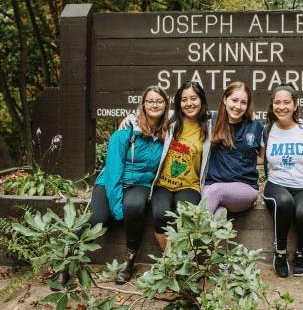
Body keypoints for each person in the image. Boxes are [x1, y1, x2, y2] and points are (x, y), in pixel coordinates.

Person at [60, 85, 170, 288]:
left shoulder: (168, 132)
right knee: (98, 218)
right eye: (150, 101)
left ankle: (129, 260)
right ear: (143, 105)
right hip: (111, 180)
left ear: (165, 105)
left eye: (159, 101)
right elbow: (113, 170)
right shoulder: (127, 130)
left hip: (141, 184)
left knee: (135, 207)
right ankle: (65, 261)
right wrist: (117, 206)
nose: (155, 105)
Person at [121, 81, 212, 257]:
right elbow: (147, 112)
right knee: (160, 216)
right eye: (184, 99)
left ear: (201, 100)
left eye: (194, 98)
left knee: (183, 218)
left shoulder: (209, 125)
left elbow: (231, 115)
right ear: (179, 103)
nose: (189, 103)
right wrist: (130, 117)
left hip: (189, 186)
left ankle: (169, 265)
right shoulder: (170, 119)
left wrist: (251, 116)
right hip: (163, 185)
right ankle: (173, 262)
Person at [258, 83, 303, 279]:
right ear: (272, 105)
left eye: (287, 102)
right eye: (277, 102)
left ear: (295, 105)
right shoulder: (267, 130)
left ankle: (302, 253)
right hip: (276, 185)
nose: (281, 107)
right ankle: (280, 253)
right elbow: (260, 159)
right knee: (284, 201)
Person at [202, 81, 263, 225]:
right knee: (218, 215)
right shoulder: (213, 122)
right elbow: (181, 113)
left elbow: (263, 157)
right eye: (234, 100)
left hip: (244, 188)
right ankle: (220, 249)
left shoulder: (256, 126)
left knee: (216, 191)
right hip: (212, 185)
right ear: (224, 99)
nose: (238, 106)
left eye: (243, 102)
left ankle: (184, 245)